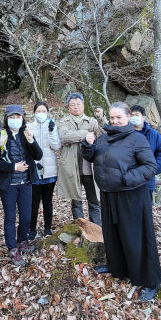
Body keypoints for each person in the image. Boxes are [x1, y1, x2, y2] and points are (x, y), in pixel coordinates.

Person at [82, 102, 161, 302]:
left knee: (136, 236)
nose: (115, 121)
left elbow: (150, 166)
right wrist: (87, 145)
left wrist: (126, 179)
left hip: (131, 195)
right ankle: (117, 266)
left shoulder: (137, 139)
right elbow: (91, 157)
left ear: (128, 118)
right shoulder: (104, 138)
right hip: (109, 194)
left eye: (119, 117)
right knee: (112, 233)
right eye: (112, 117)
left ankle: (149, 280)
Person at [0, 105, 43, 266]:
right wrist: (13, 167)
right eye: (12, 117)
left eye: (18, 117)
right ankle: (12, 247)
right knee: (10, 218)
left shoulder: (26, 135)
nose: (15, 120)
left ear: (22, 119)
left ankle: (22, 240)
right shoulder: (0, 136)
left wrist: (32, 140)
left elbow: (38, 155)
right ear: (6, 118)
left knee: (26, 216)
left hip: (26, 182)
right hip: (9, 185)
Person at [56, 92, 104, 224]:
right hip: (72, 166)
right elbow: (64, 136)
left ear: (83, 105)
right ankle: (80, 227)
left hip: (89, 166)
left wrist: (101, 120)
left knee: (94, 200)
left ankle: (97, 229)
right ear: (68, 107)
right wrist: (85, 134)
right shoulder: (63, 121)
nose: (76, 107)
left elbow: (103, 136)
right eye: (72, 104)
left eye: (78, 104)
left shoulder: (92, 121)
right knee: (76, 201)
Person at [26, 101, 61, 239]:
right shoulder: (28, 127)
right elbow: (27, 148)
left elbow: (56, 146)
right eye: (39, 111)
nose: (41, 114)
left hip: (50, 168)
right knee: (33, 201)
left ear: (48, 113)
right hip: (34, 169)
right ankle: (32, 229)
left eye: (44, 111)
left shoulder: (52, 126)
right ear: (34, 113)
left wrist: (52, 131)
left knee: (47, 200)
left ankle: (47, 228)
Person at [130, 105, 161, 198]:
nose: (134, 117)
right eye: (132, 115)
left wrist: (155, 169)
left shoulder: (154, 135)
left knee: (145, 210)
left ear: (143, 117)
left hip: (147, 180)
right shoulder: (125, 133)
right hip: (128, 179)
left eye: (137, 114)